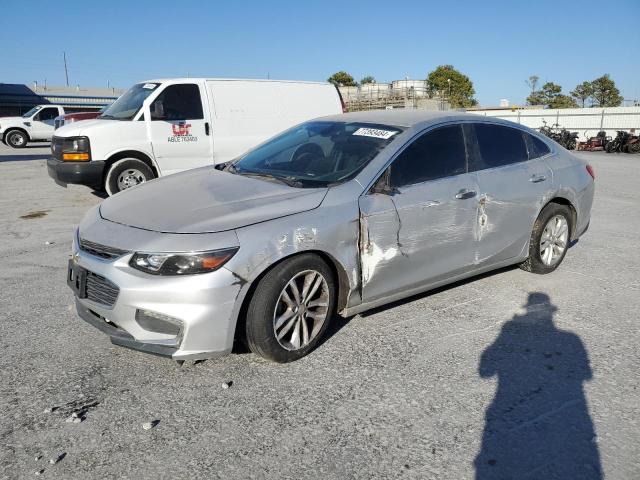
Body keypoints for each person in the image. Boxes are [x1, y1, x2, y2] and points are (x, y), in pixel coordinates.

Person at [475, 292, 602, 479]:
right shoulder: (571, 339)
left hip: (506, 408)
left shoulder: (508, 329)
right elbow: (586, 375)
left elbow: (485, 371)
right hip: (567, 414)